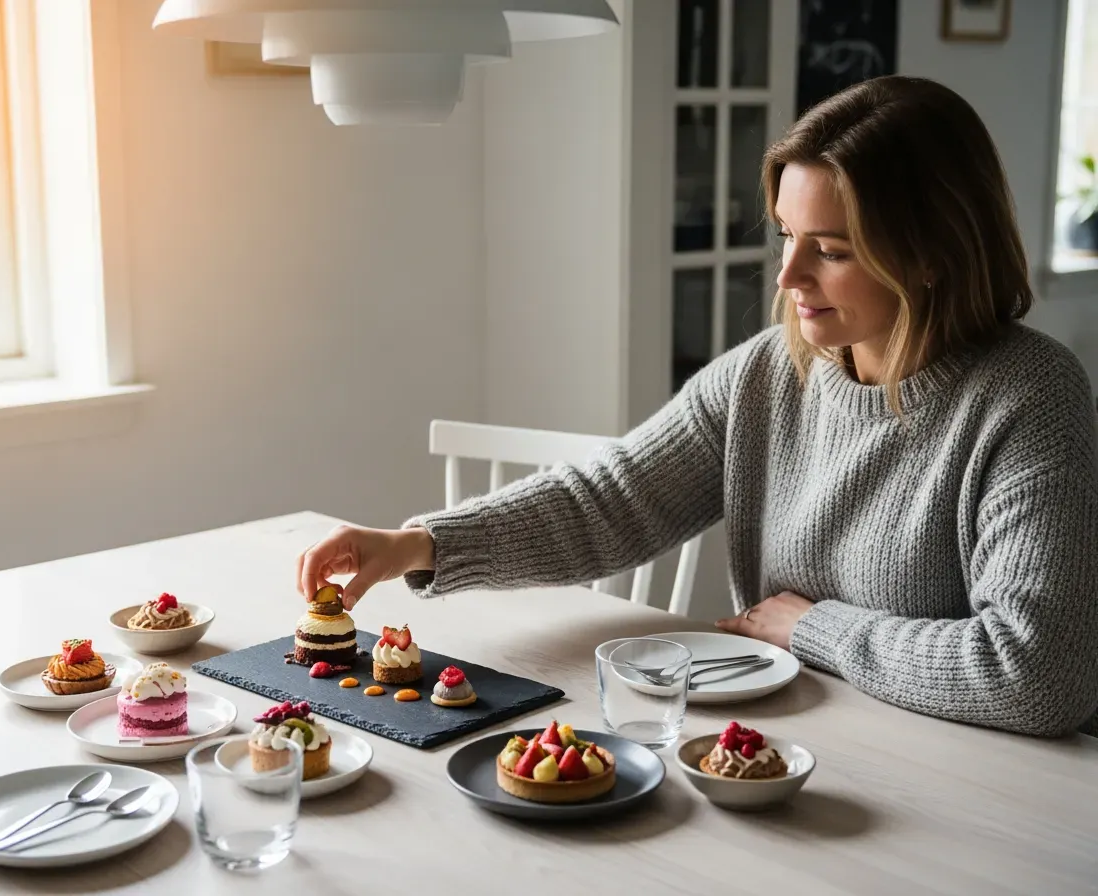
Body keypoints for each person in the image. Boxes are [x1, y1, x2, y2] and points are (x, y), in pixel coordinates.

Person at [295, 75, 1098, 738]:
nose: (788, 278)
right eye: (787, 234)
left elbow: (1037, 675)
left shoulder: (1029, 399)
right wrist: (414, 546)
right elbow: (609, 502)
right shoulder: (770, 375)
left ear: (932, 255)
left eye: (832, 249)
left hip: (978, 788)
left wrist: (813, 628)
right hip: (794, 748)